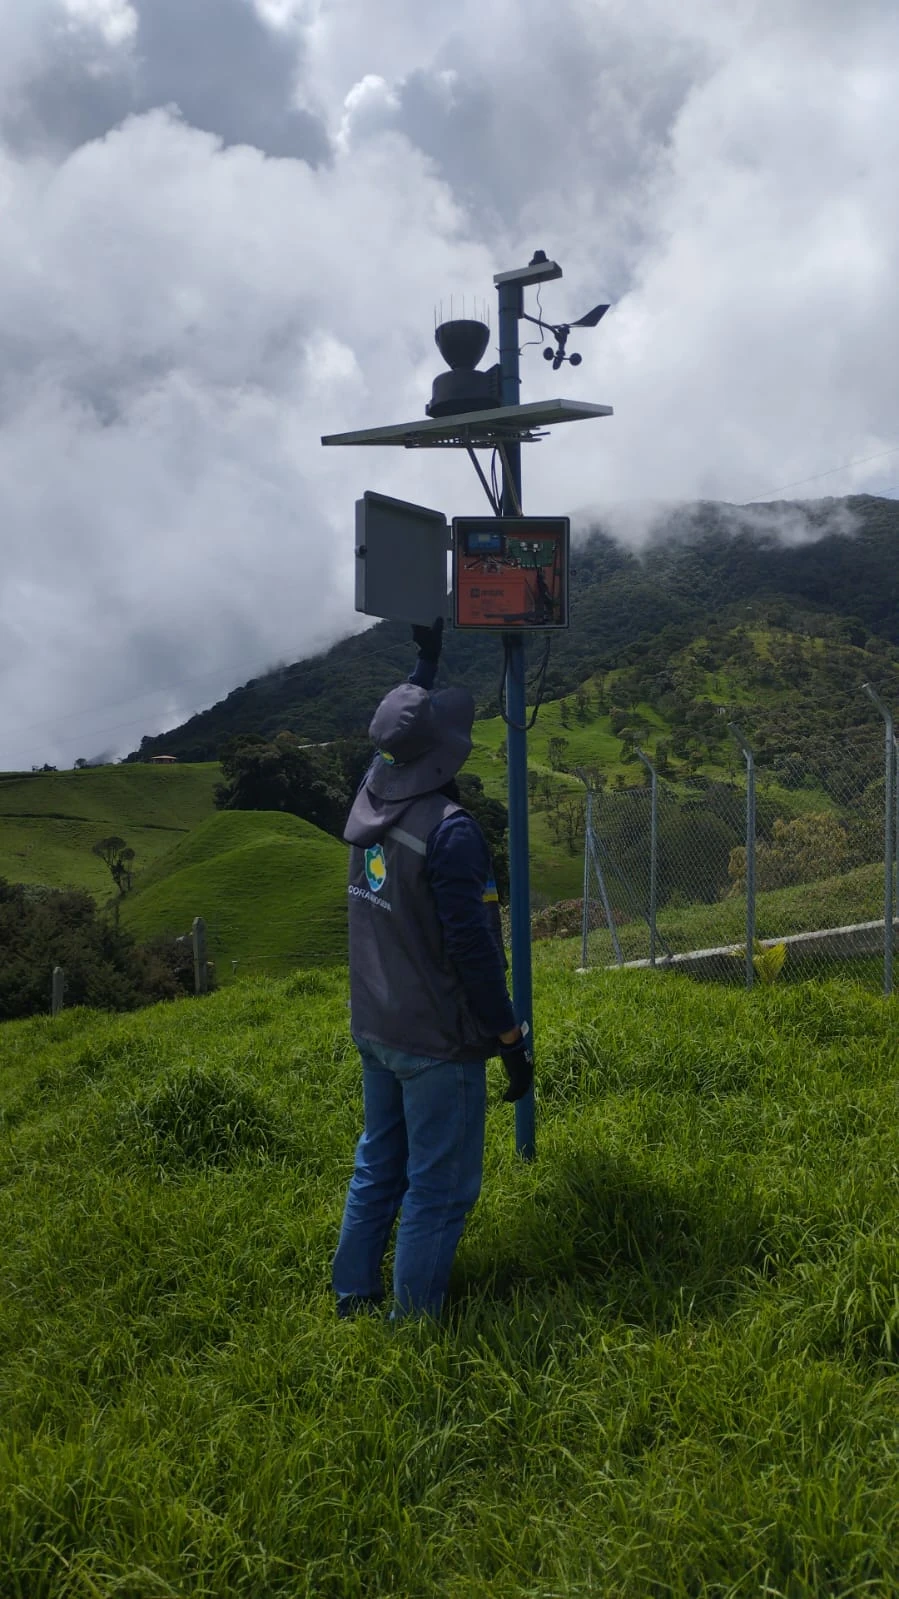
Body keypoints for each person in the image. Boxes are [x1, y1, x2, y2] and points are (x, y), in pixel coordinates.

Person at [332, 617, 534, 1321]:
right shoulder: (448, 833)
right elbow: (474, 954)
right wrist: (510, 1042)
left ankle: (353, 1297)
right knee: (438, 1188)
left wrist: (424, 663)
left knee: (377, 1164)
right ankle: (414, 1331)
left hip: (375, 1020)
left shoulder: (370, 802)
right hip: (433, 1041)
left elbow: (393, 741)